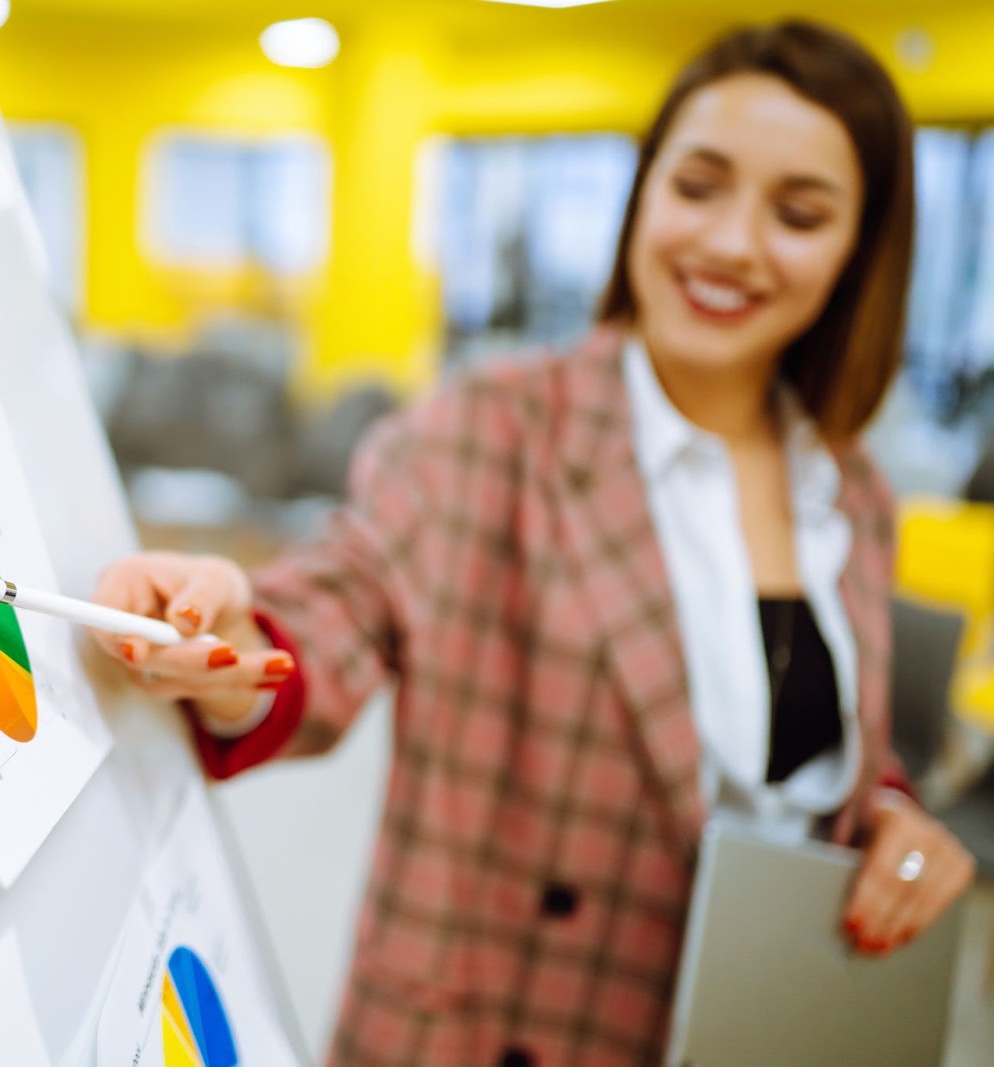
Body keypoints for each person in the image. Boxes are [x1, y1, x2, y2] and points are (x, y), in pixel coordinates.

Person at [88, 19, 977, 1067]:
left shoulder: (851, 492)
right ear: (640, 197)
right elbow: (342, 603)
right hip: (497, 1027)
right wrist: (235, 633)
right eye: (697, 186)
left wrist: (886, 814)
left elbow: (807, 748)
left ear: (857, 248)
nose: (733, 242)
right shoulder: (492, 426)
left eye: (797, 212)